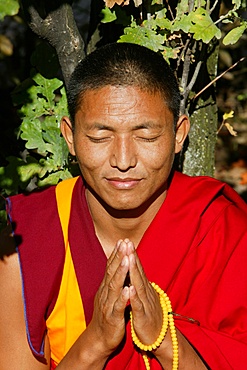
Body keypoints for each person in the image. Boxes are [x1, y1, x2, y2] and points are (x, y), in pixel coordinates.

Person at [0, 42, 246, 370]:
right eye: (100, 137)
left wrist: (163, 337)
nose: (123, 160)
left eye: (146, 136)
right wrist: (97, 340)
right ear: (70, 137)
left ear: (179, 134)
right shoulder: (26, 243)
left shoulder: (221, 228)